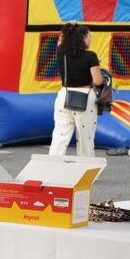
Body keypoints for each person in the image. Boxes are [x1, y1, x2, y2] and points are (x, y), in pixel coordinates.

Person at [49, 21, 103, 157]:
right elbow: (97, 81)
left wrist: (70, 27)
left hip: (63, 97)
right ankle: (86, 172)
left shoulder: (62, 53)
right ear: (82, 38)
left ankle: (51, 168)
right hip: (85, 100)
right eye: (89, 36)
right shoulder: (91, 56)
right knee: (86, 139)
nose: (90, 39)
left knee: (60, 136)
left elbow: (61, 40)